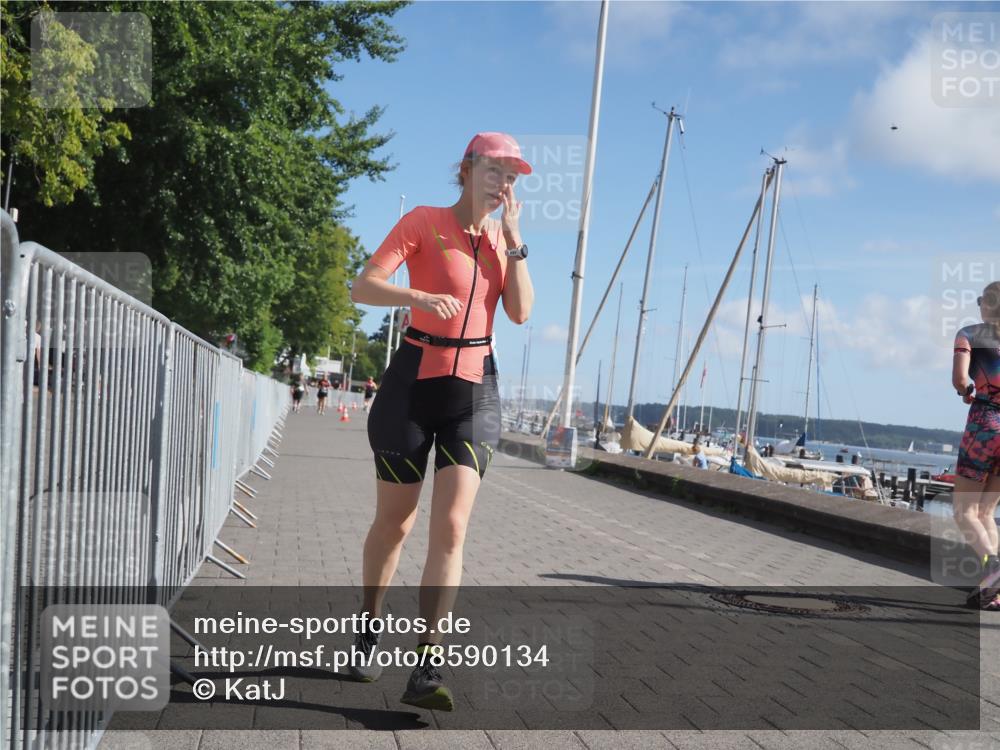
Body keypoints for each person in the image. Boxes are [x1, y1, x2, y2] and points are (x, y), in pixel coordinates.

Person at [348, 132, 533, 709]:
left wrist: (517, 243)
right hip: (412, 385)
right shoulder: (425, 222)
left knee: (451, 526)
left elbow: (522, 313)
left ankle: (426, 665)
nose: (505, 182)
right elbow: (363, 286)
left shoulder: (504, 243)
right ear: (468, 169)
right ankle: (367, 628)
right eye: (496, 170)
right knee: (396, 524)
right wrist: (419, 298)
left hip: (475, 394)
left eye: (513, 174)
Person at [952, 281, 1000, 610]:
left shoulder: (968, 335)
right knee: (987, 512)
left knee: (965, 511)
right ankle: (992, 593)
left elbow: (960, 380)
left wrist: (966, 391)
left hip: (985, 424)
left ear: (986, 305)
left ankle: (993, 569)